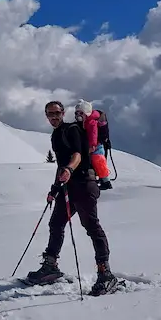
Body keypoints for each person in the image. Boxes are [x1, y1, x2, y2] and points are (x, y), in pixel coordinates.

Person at [25, 100, 118, 295]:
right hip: (68, 186)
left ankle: (105, 273)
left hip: (84, 184)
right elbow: (61, 164)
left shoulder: (72, 130)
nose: (54, 117)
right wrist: (55, 188)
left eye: (57, 113)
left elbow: (77, 155)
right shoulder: (56, 135)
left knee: (91, 225)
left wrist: (69, 169)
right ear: (46, 115)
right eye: (50, 114)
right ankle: (50, 266)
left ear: (63, 113)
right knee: (56, 224)